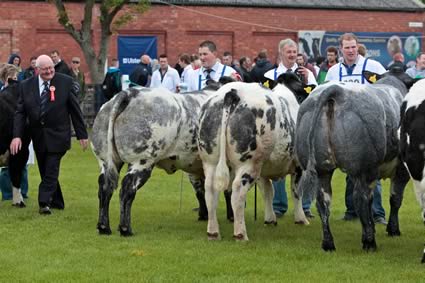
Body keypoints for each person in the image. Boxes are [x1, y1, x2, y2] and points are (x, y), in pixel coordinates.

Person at [10, 54, 88, 215]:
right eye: (45, 69)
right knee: (46, 170)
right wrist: (17, 135)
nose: (49, 72)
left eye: (51, 68)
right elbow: (20, 112)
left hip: (59, 134)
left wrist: (82, 134)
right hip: (38, 136)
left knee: (52, 167)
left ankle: (43, 202)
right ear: (37, 70)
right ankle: (57, 201)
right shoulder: (26, 86)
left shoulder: (65, 82)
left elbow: (75, 110)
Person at [325, 33, 387, 224]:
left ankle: (377, 213)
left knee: (370, 171)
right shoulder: (334, 71)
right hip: (343, 128)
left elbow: (386, 90)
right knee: (349, 170)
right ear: (341, 49)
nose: (350, 51)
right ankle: (352, 210)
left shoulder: (373, 67)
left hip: (369, 127)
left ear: (357, 47)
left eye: (353, 47)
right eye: (347, 47)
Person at [264, 38, 317, 218]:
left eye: (294, 52)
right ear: (281, 53)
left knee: (305, 163)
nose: (292, 55)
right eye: (289, 52)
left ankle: (305, 205)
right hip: (279, 126)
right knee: (277, 161)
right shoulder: (270, 75)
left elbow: (314, 95)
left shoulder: (306, 73)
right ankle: (279, 206)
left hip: (301, 123)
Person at [0, 64, 32, 205]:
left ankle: (18, 194)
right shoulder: (22, 95)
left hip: (14, 136)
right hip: (18, 136)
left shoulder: (16, 95)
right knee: (18, 165)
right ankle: (14, 195)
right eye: (13, 77)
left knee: (19, 167)